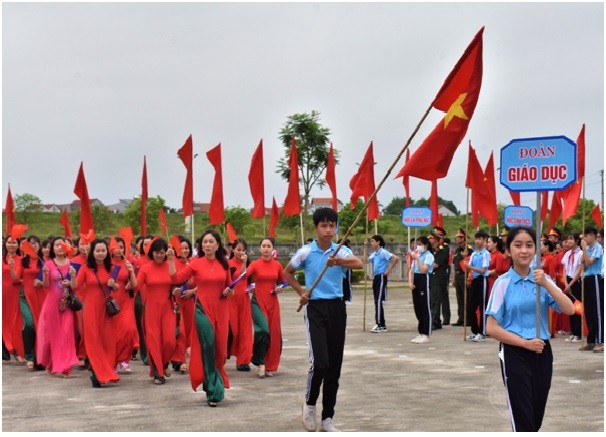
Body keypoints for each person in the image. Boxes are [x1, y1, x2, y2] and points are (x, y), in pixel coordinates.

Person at [485, 226, 574, 432]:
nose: (524, 250)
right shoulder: (502, 283)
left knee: (536, 416)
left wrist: (546, 283)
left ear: (535, 250)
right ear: (508, 250)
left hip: (542, 351)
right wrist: (525, 343)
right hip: (515, 353)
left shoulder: (542, 280)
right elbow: (491, 328)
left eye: (529, 245)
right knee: (522, 418)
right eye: (518, 245)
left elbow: (568, 309)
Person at [283, 207, 363, 432]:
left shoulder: (341, 250)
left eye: (332, 226)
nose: (328, 230)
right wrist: (301, 292)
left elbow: (358, 263)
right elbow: (287, 272)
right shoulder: (306, 252)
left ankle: (328, 418)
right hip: (316, 308)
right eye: (324, 226)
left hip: (337, 308)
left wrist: (337, 262)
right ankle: (309, 405)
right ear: (316, 228)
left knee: (334, 366)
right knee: (320, 363)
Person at [168, 229, 233, 407]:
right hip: (202, 310)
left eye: (211, 242)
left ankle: (210, 380)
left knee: (220, 351)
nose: (207, 245)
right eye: (204, 242)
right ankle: (213, 391)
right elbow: (176, 278)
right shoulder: (196, 264)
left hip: (221, 310)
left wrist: (229, 291)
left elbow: (229, 287)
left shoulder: (224, 264)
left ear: (217, 245)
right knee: (208, 345)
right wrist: (171, 259)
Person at [74, 238, 127, 388]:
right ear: (92, 252)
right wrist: (72, 276)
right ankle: (97, 373)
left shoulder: (112, 268)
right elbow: (76, 286)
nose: (100, 253)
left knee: (108, 341)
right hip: (90, 309)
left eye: (103, 250)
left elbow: (117, 289)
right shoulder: (85, 268)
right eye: (97, 250)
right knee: (93, 341)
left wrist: (114, 284)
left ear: (107, 252)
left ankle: (105, 370)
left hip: (106, 310)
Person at [135, 238, 177, 385]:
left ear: (166, 253)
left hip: (167, 308)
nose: (159, 255)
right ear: (151, 252)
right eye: (156, 252)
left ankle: (165, 363)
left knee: (169, 341)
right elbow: (136, 286)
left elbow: (178, 281)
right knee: (153, 342)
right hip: (151, 309)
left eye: (161, 253)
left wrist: (172, 261)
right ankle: (158, 373)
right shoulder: (146, 268)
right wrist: (130, 275)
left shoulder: (170, 265)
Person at [36, 237, 80, 376]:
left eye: (62, 244)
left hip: (67, 304)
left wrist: (72, 278)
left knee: (67, 333)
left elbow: (75, 286)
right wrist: (45, 275)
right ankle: (51, 362)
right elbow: (46, 286)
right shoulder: (48, 264)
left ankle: (66, 366)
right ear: (52, 248)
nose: (60, 247)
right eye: (57, 245)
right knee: (52, 336)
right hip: (52, 304)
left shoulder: (73, 264)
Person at [246, 237, 285, 378]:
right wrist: (247, 288)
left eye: (269, 246)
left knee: (273, 335)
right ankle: (260, 361)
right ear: (260, 248)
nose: (266, 248)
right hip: (257, 302)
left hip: (273, 302)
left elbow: (284, 282)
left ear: (273, 249)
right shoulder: (255, 265)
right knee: (262, 330)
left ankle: (269, 365)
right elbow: (244, 277)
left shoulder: (278, 265)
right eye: (264, 246)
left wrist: (280, 287)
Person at [110, 237, 138, 374]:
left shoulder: (128, 263)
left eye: (121, 247)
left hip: (125, 299)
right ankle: (114, 360)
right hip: (111, 300)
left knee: (129, 329)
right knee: (114, 333)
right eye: (116, 247)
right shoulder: (107, 263)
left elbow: (134, 285)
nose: (118, 250)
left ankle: (124, 358)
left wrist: (131, 272)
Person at [170, 235, 197, 374]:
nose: (184, 250)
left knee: (189, 331)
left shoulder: (193, 263)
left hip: (190, 301)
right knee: (180, 331)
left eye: (187, 248)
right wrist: (174, 291)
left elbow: (199, 283)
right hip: (176, 302)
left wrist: (192, 291)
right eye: (182, 248)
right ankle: (179, 360)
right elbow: (169, 281)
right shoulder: (172, 263)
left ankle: (184, 357)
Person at [19, 235, 46, 370]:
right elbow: (15, 279)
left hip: (41, 297)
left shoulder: (44, 262)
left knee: (40, 326)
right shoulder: (23, 261)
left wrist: (43, 281)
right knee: (29, 323)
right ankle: (29, 356)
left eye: (35, 243)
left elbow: (49, 281)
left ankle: (39, 357)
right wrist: (12, 267)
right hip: (25, 297)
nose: (33, 245)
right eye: (30, 243)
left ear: (40, 245)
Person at [227, 238, 252, 372]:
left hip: (244, 299)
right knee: (234, 331)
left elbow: (245, 275)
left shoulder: (247, 264)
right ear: (232, 250)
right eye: (238, 249)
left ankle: (243, 361)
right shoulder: (228, 263)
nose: (240, 252)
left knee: (245, 331)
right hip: (231, 300)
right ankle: (228, 353)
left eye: (242, 250)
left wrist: (244, 262)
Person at [365, 235, 399, 333]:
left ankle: (379, 324)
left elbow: (395, 258)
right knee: (377, 301)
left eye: (373, 241)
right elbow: (365, 260)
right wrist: (365, 247)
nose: (372, 243)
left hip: (381, 277)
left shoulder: (383, 252)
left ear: (378, 242)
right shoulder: (375, 253)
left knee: (379, 300)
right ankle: (382, 324)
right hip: (376, 277)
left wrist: (388, 271)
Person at [579, 226, 604, 353]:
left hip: (595, 277)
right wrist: (584, 251)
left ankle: (600, 341)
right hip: (587, 278)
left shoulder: (597, 247)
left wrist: (584, 249)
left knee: (597, 311)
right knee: (588, 311)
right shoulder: (587, 248)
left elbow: (589, 262)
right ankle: (591, 340)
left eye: (586, 236)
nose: (584, 239)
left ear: (592, 236)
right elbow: (582, 263)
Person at [2, 236, 25, 364]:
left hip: (15, 293)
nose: (11, 245)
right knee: (4, 322)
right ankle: (5, 352)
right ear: (5, 244)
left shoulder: (21, 260)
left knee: (16, 321)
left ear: (18, 245)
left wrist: (11, 267)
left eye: (14, 242)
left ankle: (18, 351)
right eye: (9, 242)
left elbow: (16, 279)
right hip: (3, 293)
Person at [465, 230, 490, 342]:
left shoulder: (486, 254)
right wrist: (465, 259)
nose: (478, 241)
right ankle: (474, 331)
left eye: (480, 239)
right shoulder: (474, 254)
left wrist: (470, 268)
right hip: (475, 280)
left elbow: (483, 270)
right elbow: (468, 266)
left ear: (485, 241)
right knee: (471, 306)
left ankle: (482, 332)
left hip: (482, 280)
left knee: (482, 306)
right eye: (476, 239)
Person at [408, 235, 434, 344]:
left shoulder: (429, 256)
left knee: (425, 307)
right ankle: (420, 332)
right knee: (417, 307)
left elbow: (423, 269)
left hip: (424, 279)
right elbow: (411, 270)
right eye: (417, 244)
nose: (417, 246)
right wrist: (410, 282)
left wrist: (417, 258)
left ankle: (426, 333)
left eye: (420, 244)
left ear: (426, 245)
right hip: (416, 280)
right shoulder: (418, 255)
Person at [561, 233, 582, 343]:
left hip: (576, 281)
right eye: (568, 239)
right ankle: (573, 332)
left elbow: (579, 271)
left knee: (577, 307)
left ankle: (578, 333)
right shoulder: (567, 253)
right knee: (569, 307)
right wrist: (565, 283)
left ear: (577, 240)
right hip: (567, 281)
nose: (568, 241)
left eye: (571, 239)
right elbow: (564, 269)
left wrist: (570, 285)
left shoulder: (581, 254)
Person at [428, 226, 449, 329]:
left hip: (439, 277)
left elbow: (435, 265)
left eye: (431, 238)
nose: (429, 239)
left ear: (435, 239)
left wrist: (425, 264)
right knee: (432, 300)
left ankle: (434, 322)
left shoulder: (442, 250)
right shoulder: (432, 250)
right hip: (432, 277)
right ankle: (436, 320)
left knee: (436, 300)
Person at [451, 229, 471, 327]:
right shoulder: (457, 250)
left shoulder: (468, 250)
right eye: (457, 237)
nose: (457, 238)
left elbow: (470, 265)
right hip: (458, 275)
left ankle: (467, 319)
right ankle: (461, 318)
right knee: (459, 298)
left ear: (464, 238)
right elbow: (455, 265)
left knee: (466, 297)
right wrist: (454, 278)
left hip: (465, 274)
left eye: (459, 237)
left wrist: (468, 278)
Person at [487, 235, 511, 302]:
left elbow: (498, 269)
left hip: (494, 280)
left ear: (495, 244)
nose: (487, 244)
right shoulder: (489, 254)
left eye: (489, 242)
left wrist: (486, 272)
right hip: (488, 279)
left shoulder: (498, 255)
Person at [337, 238, 353, 304]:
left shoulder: (347, 250)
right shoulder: (336, 249)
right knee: (343, 284)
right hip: (340, 271)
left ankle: (348, 298)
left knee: (347, 283)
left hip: (347, 269)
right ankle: (343, 297)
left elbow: (351, 259)